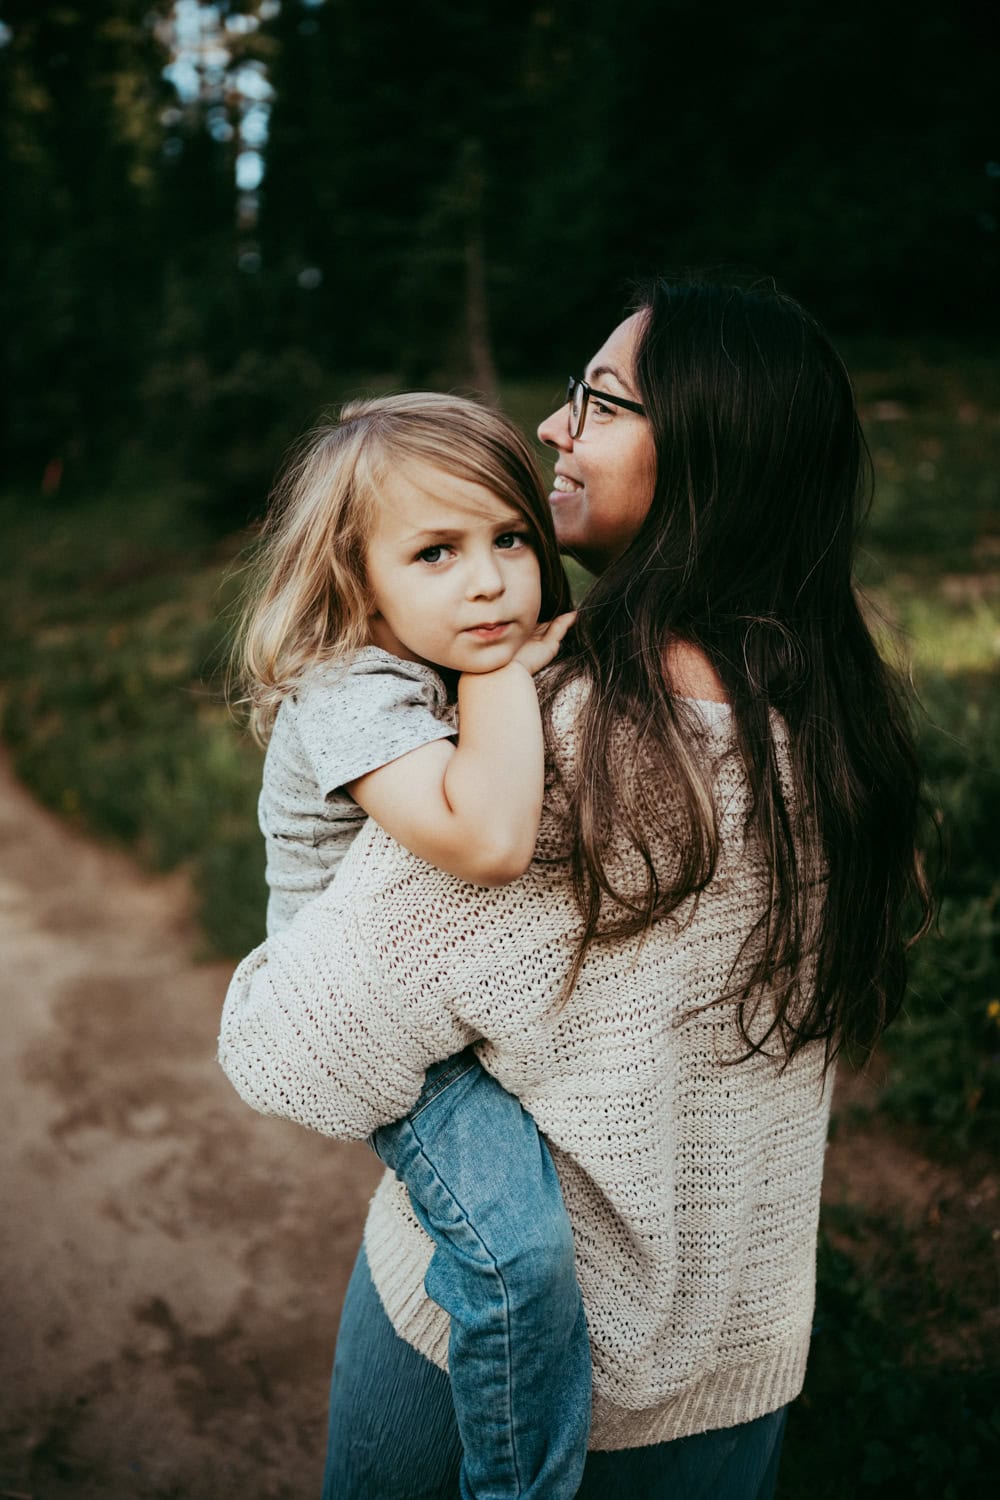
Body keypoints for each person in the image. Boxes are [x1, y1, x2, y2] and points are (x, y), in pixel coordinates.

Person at [219, 279, 930, 1498]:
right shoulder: (835, 717)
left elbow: (304, 1044)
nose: (552, 429)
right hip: (738, 1347)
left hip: (468, 1362)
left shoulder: (569, 727)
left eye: (597, 402)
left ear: (709, 442)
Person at [233, 391, 588, 1500]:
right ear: (356, 578)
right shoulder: (348, 688)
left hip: (450, 994)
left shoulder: (440, 646)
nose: (487, 582)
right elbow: (485, 836)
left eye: (510, 539)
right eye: (435, 551)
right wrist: (502, 674)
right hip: (370, 1025)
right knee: (515, 1256)